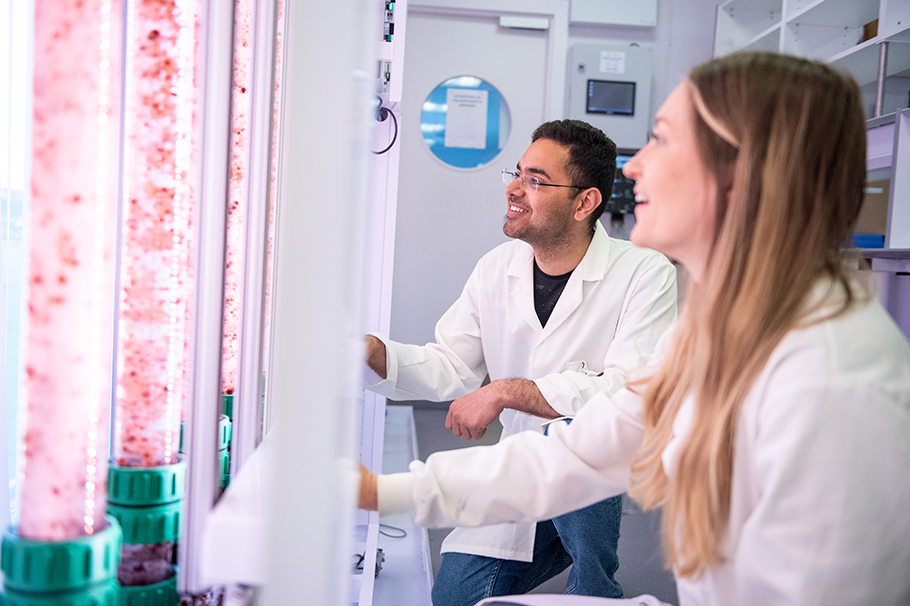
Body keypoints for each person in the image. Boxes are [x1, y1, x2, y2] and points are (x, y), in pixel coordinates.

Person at [360, 51, 910, 606]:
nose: (632, 166)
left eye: (663, 140)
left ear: (743, 174)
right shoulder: (722, 333)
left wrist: (507, 396)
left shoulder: (832, 381)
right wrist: (381, 492)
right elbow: (581, 452)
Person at [364, 119, 678, 605]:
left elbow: (629, 391)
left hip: (598, 478)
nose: (513, 188)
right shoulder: (496, 267)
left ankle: (596, 589)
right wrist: (377, 356)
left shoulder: (644, 272)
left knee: (574, 432)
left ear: (585, 202)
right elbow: (451, 364)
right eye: (518, 173)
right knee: (452, 600)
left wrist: (508, 390)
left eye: (535, 180)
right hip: (519, 467)